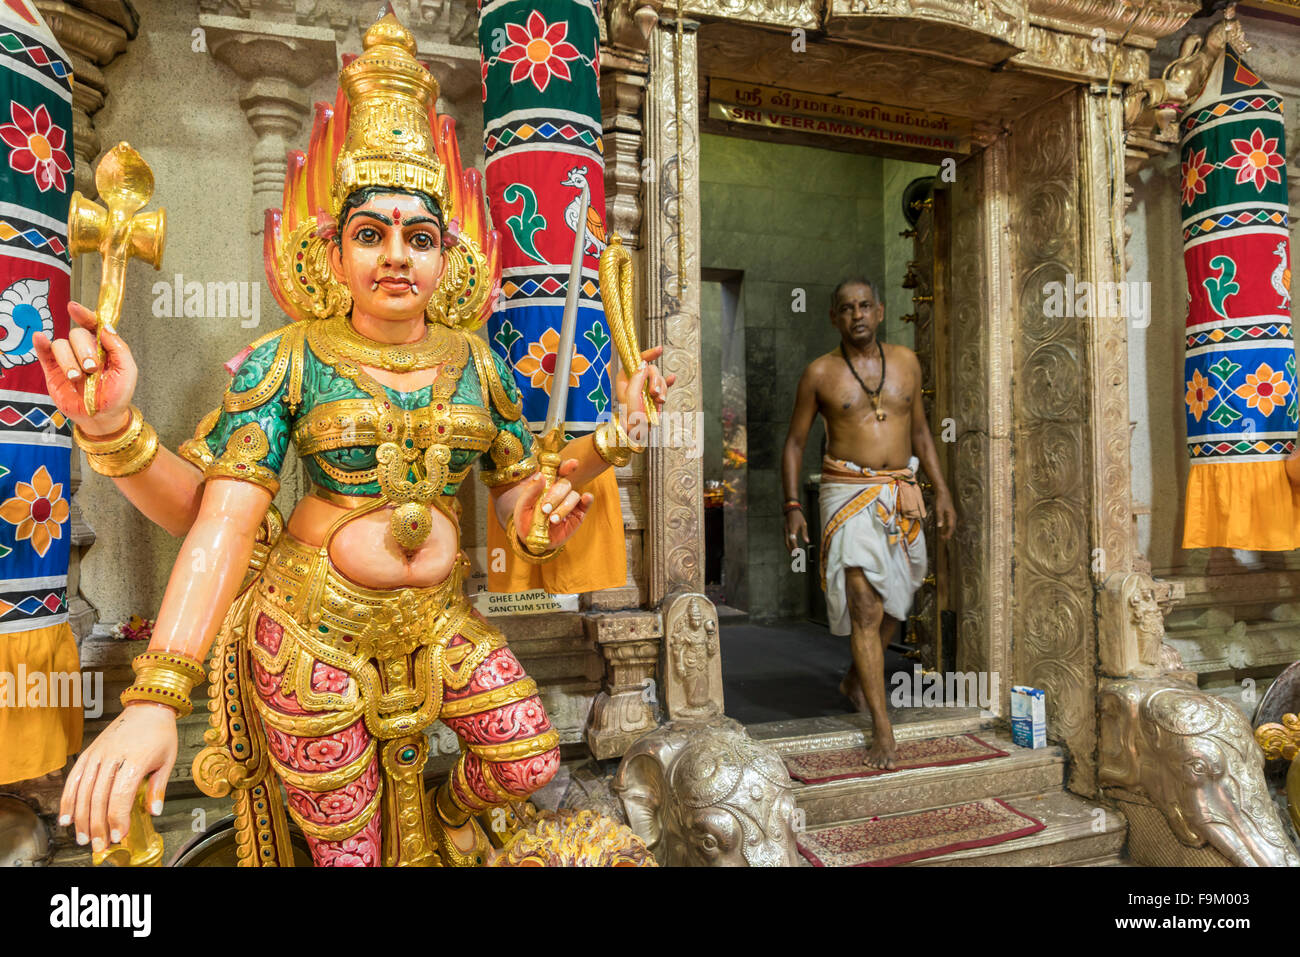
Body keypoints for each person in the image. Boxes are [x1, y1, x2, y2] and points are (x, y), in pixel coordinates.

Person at [36, 13, 669, 866]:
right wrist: (156, 688)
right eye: (371, 233)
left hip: (438, 617)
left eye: (420, 235)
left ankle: (450, 819)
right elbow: (216, 519)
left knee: (526, 750)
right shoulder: (289, 359)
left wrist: (599, 455)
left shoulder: (479, 364)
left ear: (451, 257)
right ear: (332, 254)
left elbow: (520, 489)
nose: (396, 255)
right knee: (352, 851)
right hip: (310, 632)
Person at [781, 278, 954, 769]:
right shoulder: (819, 374)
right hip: (847, 491)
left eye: (864, 306)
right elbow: (795, 443)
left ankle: (857, 678)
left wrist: (941, 490)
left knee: (899, 596)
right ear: (834, 317)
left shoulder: (907, 364)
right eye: (845, 309)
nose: (856, 315)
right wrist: (792, 505)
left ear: (879, 311)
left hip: (902, 490)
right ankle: (882, 726)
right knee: (864, 604)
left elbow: (920, 430)